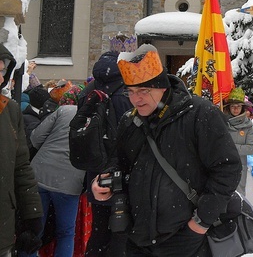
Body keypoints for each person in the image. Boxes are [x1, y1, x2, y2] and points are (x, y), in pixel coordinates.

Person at [91, 44, 241, 257]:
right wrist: (104, 181)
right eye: (131, 92)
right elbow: (119, 162)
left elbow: (228, 169)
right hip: (138, 236)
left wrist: (201, 222)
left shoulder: (199, 114)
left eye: (144, 91)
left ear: (163, 87)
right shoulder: (130, 120)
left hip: (185, 238)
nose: (136, 99)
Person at [81, 42, 134, 257]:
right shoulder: (124, 95)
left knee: (100, 229)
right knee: (121, 231)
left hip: (94, 170)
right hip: (119, 169)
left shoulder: (88, 93)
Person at [29, 85, 86, 257]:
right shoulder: (95, 116)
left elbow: (35, 137)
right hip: (71, 179)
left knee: (33, 229)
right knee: (66, 233)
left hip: (41, 173)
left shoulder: (63, 111)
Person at [0, 45, 44, 257]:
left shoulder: (9, 110)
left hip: (3, 229)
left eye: (1, 71)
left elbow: (21, 167)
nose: (0, 78)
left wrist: (31, 215)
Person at [223, 87, 253, 195]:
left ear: (243, 108)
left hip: (240, 166)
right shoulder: (222, 123)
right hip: (223, 166)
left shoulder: (248, 125)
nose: (235, 109)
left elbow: (251, 148)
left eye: (238, 106)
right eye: (233, 106)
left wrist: (231, 148)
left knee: (239, 197)